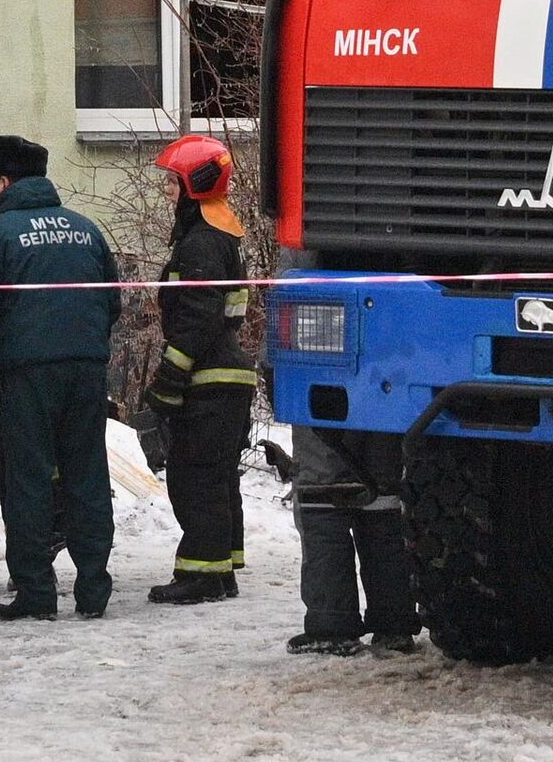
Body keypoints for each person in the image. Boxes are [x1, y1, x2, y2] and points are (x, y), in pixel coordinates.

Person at [0, 135, 120, 622]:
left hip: (25, 373)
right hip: (86, 368)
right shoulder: (85, 229)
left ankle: (35, 592)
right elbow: (113, 303)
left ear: (4, 181)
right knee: (87, 474)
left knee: (27, 479)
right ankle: (93, 587)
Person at [144, 133, 257, 605]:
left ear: (195, 184)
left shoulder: (202, 243)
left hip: (209, 378)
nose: (168, 192)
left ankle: (203, 576)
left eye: (173, 183)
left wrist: (168, 382)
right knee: (217, 475)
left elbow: (196, 318)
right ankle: (221, 568)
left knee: (195, 477)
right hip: (226, 375)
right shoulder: (217, 234)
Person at [286, 425, 419, 656]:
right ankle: (394, 626)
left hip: (325, 401)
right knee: (382, 506)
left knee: (322, 502)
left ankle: (332, 626)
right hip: (383, 403)